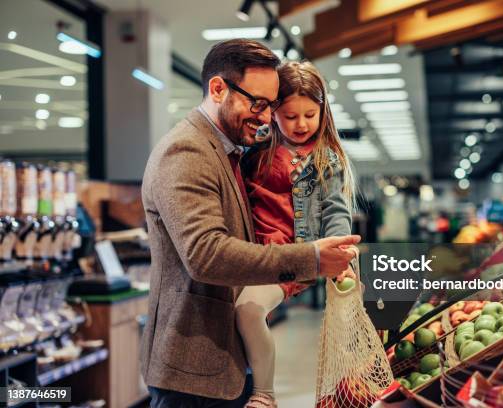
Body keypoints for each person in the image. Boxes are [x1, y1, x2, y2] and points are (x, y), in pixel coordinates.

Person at [140, 39, 360, 407]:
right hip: (193, 371)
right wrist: (311, 259)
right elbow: (205, 255)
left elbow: (331, 210)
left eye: (270, 106)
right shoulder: (187, 151)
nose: (263, 116)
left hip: (222, 364)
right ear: (217, 88)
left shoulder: (232, 151)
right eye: (258, 103)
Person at [237, 61, 358, 408]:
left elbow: (336, 210)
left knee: (247, 311)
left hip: (294, 258)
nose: (301, 124)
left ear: (323, 111)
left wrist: (341, 257)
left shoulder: (326, 160)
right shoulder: (254, 147)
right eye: (290, 116)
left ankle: (264, 394)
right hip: (252, 253)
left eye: (309, 115)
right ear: (273, 112)